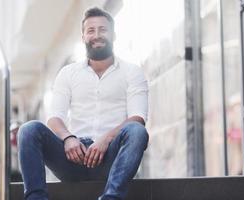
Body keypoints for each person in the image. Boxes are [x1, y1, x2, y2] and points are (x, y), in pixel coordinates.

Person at [18, 7, 149, 200]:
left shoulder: (132, 72)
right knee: (29, 130)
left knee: (137, 132)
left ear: (114, 35)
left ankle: (111, 197)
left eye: (103, 30)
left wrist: (105, 140)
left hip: (111, 158)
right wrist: (69, 138)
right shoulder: (68, 73)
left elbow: (137, 118)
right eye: (91, 30)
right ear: (83, 37)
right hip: (73, 158)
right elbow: (55, 119)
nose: (97, 35)